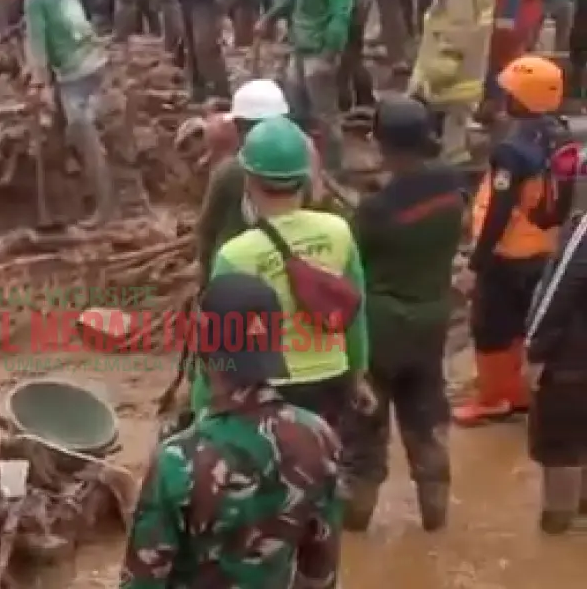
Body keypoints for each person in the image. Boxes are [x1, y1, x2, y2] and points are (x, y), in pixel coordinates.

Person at [120, 272, 342, 589]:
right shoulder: (319, 437)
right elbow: (321, 572)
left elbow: (142, 582)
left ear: (203, 346)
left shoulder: (179, 460)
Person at [342, 96, 464, 533]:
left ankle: (356, 523)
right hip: (431, 322)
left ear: (383, 144)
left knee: (365, 433)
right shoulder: (452, 188)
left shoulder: (375, 209)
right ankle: (435, 519)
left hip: (380, 329)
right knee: (426, 421)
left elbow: (351, 262)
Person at [204, 116, 372, 433]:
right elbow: (355, 310)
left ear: (249, 180)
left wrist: (206, 403)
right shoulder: (338, 231)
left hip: (270, 388)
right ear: (305, 178)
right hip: (332, 378)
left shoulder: (235, 254)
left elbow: (218, 345)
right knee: (324, 457)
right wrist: (358, 374)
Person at [454, 56, 577, 426]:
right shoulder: (560, 133)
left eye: (510, 92)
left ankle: (494, 398)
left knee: (490, 327)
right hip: (545, 246)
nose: (504, 96)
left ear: (522, 99)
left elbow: (500, 209)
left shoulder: (512, 150)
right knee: (524, 320)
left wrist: (476, 263)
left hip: (507, 252)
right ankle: (519, 391)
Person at [20, 0, 115, 225]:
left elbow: (38, 45)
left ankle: (104, 206)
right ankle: (82, 189)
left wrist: (37, 82)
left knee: (83, 133)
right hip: (95, 61)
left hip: (75, 72)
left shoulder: (35, 0)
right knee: (75, 127)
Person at [258, 0, 356, 174]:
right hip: (300, 48)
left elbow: (340, 14)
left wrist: (329, 52)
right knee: (295, 108)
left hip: (318, 52)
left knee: (325, 115)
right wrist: (271, 16)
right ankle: (301, 162)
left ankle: (333, 168)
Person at [408, 0, 496, 169]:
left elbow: (459, 19)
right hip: (471, 62)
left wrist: (442, 65)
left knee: (451, 146)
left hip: (453, 68)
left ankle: (453, 184)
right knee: (456, 132)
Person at [524, 209, 587, 534]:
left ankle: (558, 526)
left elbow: (559, 289)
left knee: (561, 445)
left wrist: (535, 349)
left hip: (572, 359)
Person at [196, 79, 292, 286]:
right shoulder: (302, 160)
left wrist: (205, 280)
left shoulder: (230, 171)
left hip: (236, 270)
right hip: (286, 266)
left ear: (239, 127)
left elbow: (207, 228)